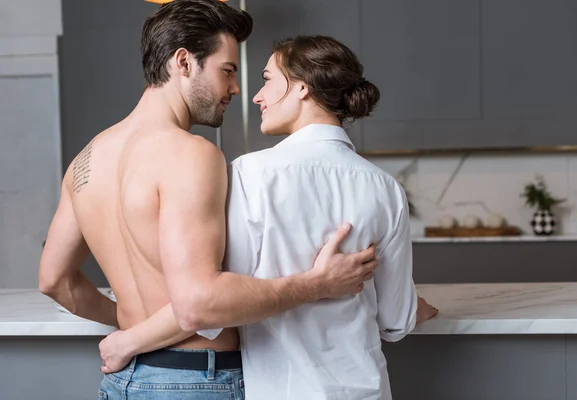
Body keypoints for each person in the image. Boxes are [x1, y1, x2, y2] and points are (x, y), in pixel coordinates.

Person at [37, 2, 379, 399]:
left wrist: (133, 329)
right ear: (183, 62)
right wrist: (315, 284)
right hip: (196, 381)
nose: (235, 88)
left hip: (124, 381)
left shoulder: (87, 159)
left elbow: (54, 281)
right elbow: (200, 304)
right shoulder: (191, 154)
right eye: (228, 71)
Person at [97, 33, 439, 400]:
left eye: (267, 79)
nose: (257, 95)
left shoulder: (249, 176)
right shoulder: (385, 188)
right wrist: (417, 308)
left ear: (302, 87)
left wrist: (129, 341)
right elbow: (396, 321)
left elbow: (214, 306)